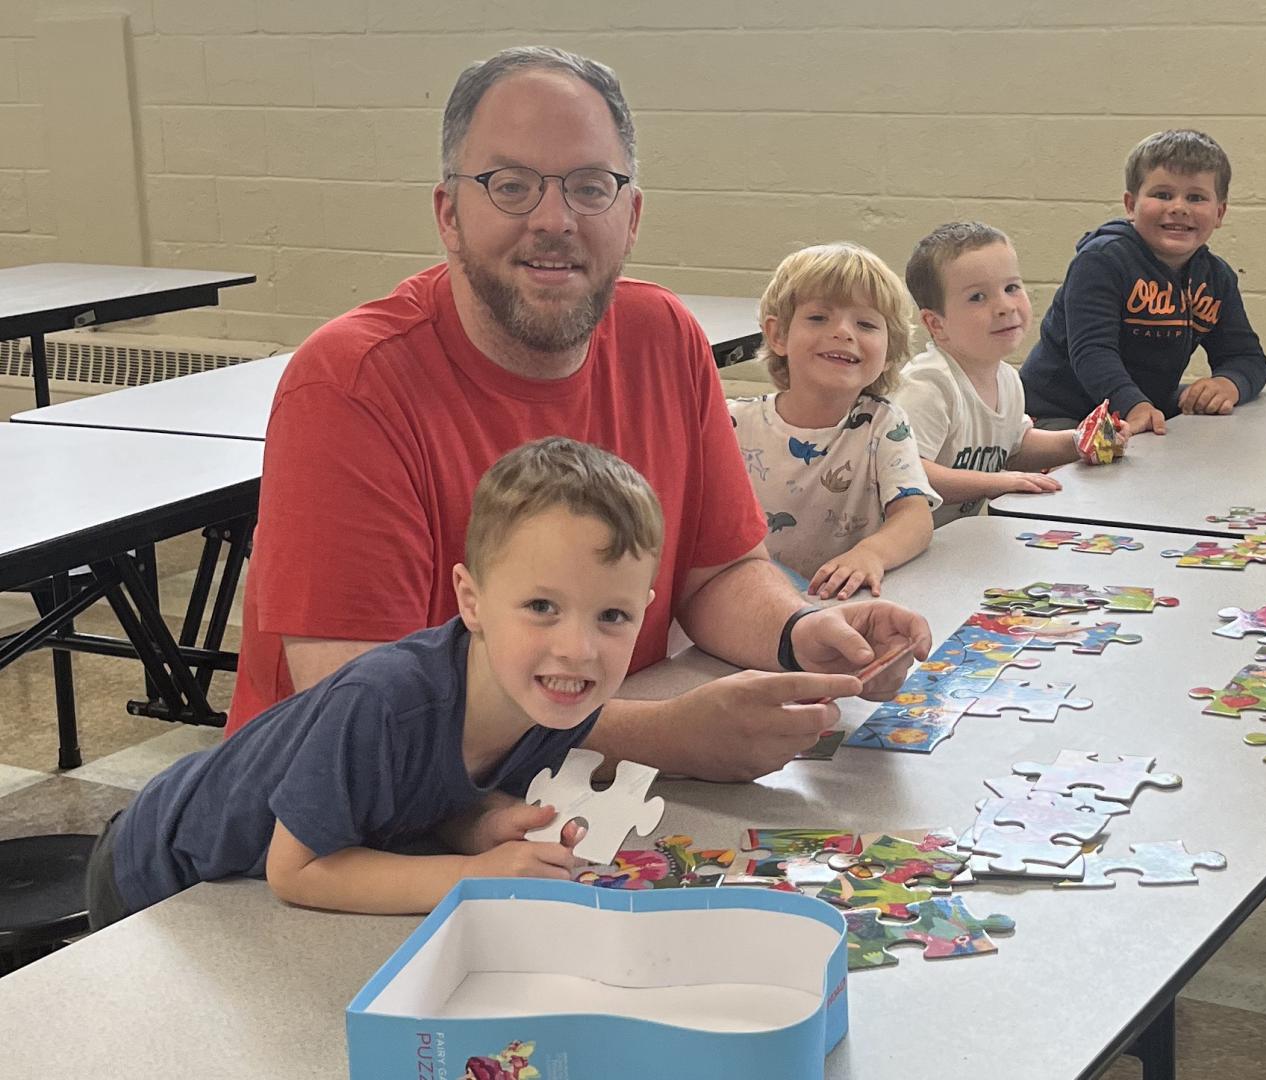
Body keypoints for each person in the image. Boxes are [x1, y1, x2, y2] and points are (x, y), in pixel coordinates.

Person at [230, 47, 929, 782]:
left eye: (591, 188)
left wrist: (804, 631)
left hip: (581, 795)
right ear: (449, 215)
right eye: (510, 186)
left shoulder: (665, 338)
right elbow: (366, 718)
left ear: (632, 217)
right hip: (340, 818)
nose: (554, 219)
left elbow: (717, 573)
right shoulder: (350, 386)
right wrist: (659, 735)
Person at [88, 438, 664, 926]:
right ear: (472, 601)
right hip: (154, 879)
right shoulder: (383, 701)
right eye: (541, 606)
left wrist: (479, 823)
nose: (578, 650)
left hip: (249, 899)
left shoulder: (562, 696)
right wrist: (472, 876)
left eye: (613, 616)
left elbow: (419, 792)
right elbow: (296, 871)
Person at [1018, 129, 1266, 435]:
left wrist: (1227, 384)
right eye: (1162, 195)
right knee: (1099, 456)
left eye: (1196, 197)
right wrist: (1134, 406)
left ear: (1219, 213)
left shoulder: (1216, 278)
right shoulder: (1101, 261)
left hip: (1144, 404)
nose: (1179, 207)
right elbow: (1093, 352)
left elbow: (1247, 357)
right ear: (1130, 204)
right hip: (1059, 411)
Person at [728, 243, 936, 599]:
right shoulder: (731, 423)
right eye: (818, 318)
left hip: (842, 603)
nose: (843, 332)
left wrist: (871, 554)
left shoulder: (883, 425)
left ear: (890, 352)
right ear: (778, 335)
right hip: (753, 602)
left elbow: (915, 518)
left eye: (865, 324)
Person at [895, 221, 1128, 526]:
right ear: (936, 324)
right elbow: (909, 473)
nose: (1004, 306)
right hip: (891, 542)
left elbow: (1016, 447)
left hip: (947, 540)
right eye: (977, 297)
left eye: (1011, 288)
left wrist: (1079, 441)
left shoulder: (1007, 379)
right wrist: (997, 482)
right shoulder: (929, 385)